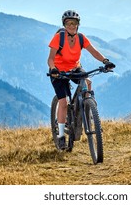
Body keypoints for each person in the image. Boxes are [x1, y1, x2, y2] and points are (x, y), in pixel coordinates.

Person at [47, 10, 115, 150]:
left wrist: (105, 61)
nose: (71, 26)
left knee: (88, 81)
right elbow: (50, 59)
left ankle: (89, 109)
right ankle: (60, 136)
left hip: (74, 68)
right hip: (58, 72)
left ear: (78, 25)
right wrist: (53, 69)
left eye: (74, 23)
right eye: (68, 23)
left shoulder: (81, 38)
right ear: (64, 24)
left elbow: (94, 51)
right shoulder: (58, 38)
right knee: (64, 102)